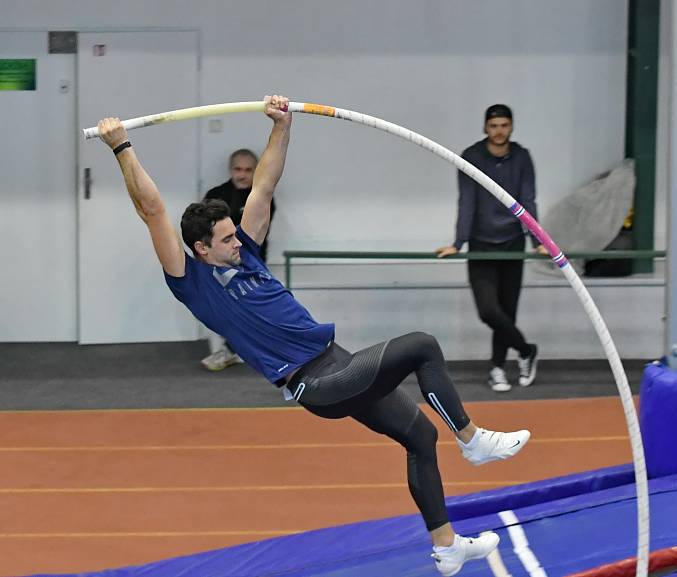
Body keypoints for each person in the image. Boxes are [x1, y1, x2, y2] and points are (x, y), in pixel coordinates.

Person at [96, 94, 531, 577]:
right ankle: (472, 441)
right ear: (200, 248)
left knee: (421, 436)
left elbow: (264, 184)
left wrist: (281, 126)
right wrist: (122, 148)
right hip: (316, 383)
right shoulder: (192, 284)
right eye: (225, 239)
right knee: (422, 345)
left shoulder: (248, 253)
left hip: (337, 361)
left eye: (235, 233)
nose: (236, 241)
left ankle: (446, 547)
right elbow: (152, 210)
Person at [436, 104, 541, 393]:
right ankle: (526, 349)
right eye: (494, 126)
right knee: (488, 311)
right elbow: (466, 200)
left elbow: (528, 201)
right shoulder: (471, 157)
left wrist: (538, 241)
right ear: (485, 128)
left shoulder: (521, 157)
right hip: (482, 245)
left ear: (511, 127)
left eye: (504, 125)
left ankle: (497, 368)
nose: (499, 131)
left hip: (512, 244)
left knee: (508, 311)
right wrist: (458, 243)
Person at [200, 148, 276, 371]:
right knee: (225, 310)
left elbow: (255, 234)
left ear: (255, 171)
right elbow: (202, 232)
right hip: (217, 266)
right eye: (237, 169)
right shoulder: (215, 195)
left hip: (251, 266)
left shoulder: (261, 197)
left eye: (248, 170)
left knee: (255, 310)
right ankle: (233, 349)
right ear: (230, 169)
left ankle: (237, 350)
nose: (242, 174)